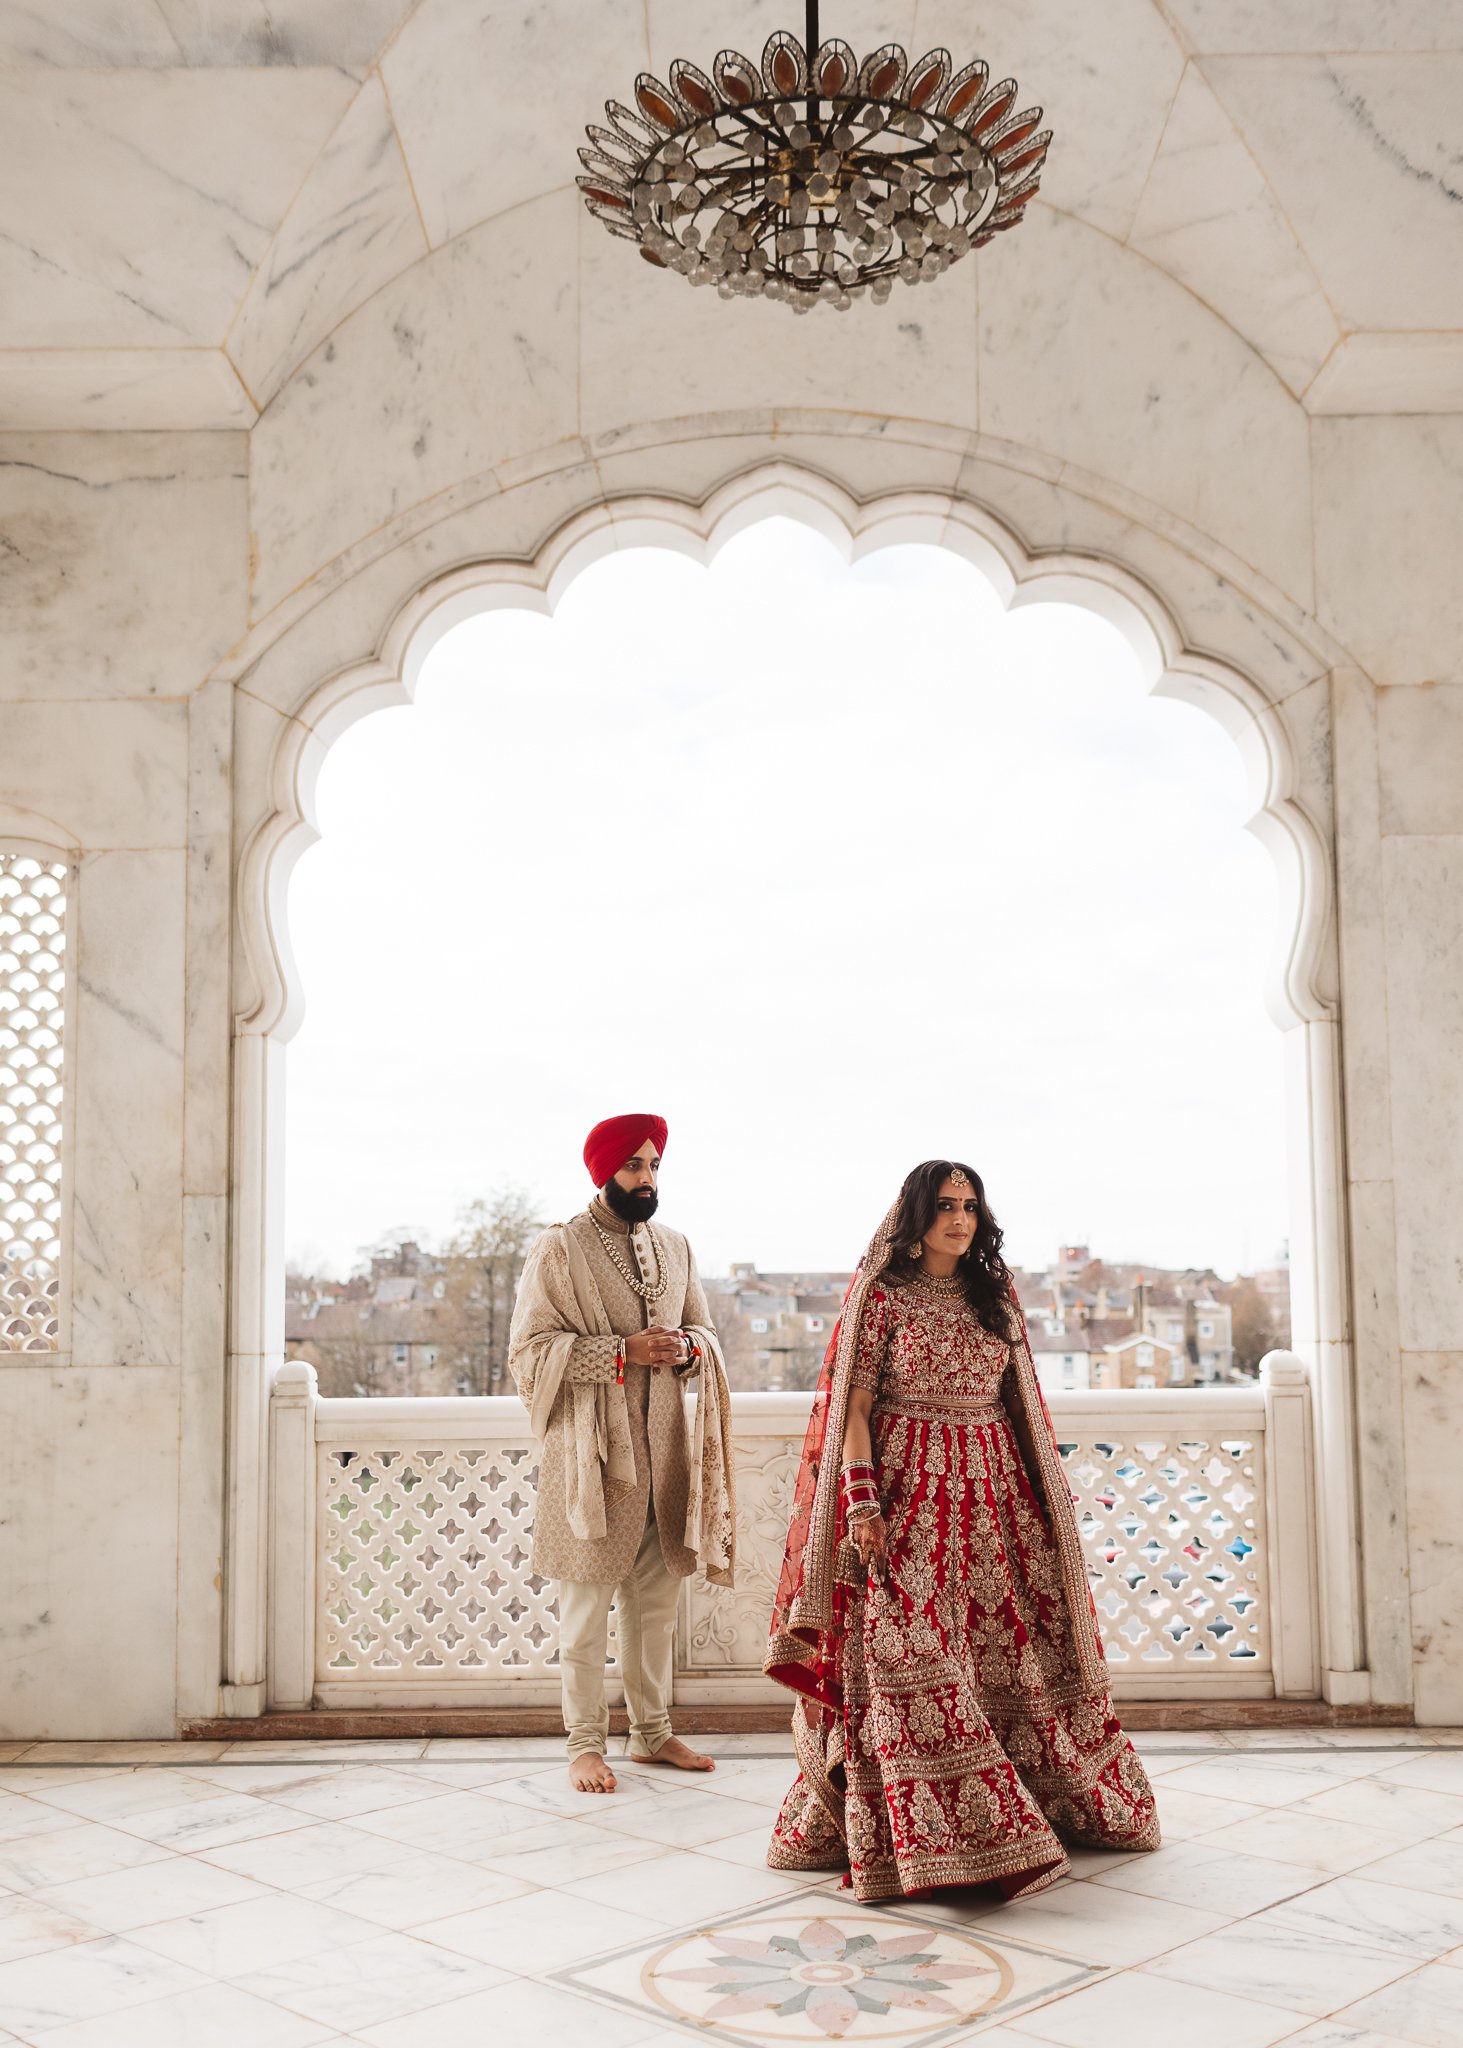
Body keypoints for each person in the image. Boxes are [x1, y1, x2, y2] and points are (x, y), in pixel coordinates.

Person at [764, 1159, 1159, 1901]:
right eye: (945, 1205)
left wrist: (1043, 1509)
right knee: (898, 1644)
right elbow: (852, 1410)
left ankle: (1010, 1809)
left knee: (999, 1649)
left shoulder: (994, 1294)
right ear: (916, 1216)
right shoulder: (881, 1298)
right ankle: (927, 1829)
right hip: (907, 1490)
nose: (959, 1218)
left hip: (993, 1492)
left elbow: (1022, 1402)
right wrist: (860, 1502)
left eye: (970, 1206)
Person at [508, 1113, 736, 1795]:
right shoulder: (560, 1250)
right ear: (603, 1171)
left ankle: (651, 1733)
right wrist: (621, 1352)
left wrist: (689, 1348)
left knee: (653, 1608)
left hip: (664, 1451)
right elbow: (526, 1354)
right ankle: (583, 1745)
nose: (647, 1178)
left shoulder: (676, 1245)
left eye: (655, 1165)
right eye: (634, 1166)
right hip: (590, 1459)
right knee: (584, 1615)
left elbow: (702, 1328)